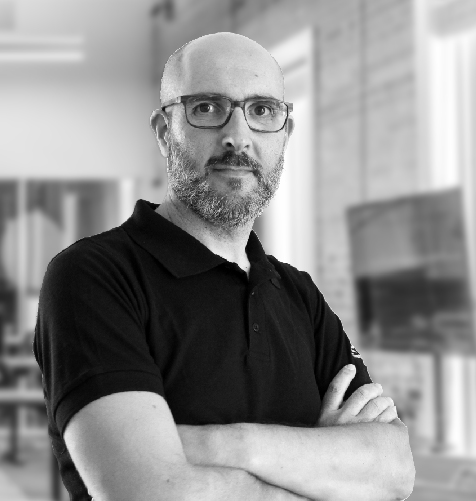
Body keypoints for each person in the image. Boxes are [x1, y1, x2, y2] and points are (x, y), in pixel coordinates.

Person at [33, 32, 415, 501]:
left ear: (285, 135)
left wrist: (214, 445)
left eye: (262, 111)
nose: (238, 136)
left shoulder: (300, 295)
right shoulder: (93, 276)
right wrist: (324, 465)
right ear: (164, 131)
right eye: (208, 108)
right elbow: (151, 493)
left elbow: (395, 469)